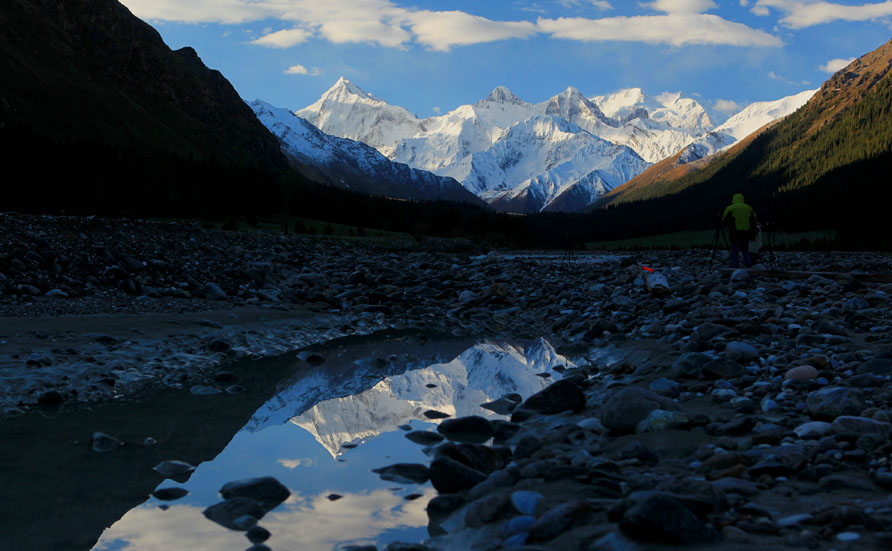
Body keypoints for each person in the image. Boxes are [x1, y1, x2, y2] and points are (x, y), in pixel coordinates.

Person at [722, 193, 756, 268]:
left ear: (733, 199)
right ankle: (749, 264)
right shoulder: (748, 208)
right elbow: (753, 220)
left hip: (735, 233)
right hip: (746, 233)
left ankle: (735, 266)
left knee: (734, 251)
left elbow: (724, 219)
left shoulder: (730, 208)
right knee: (745, 250)